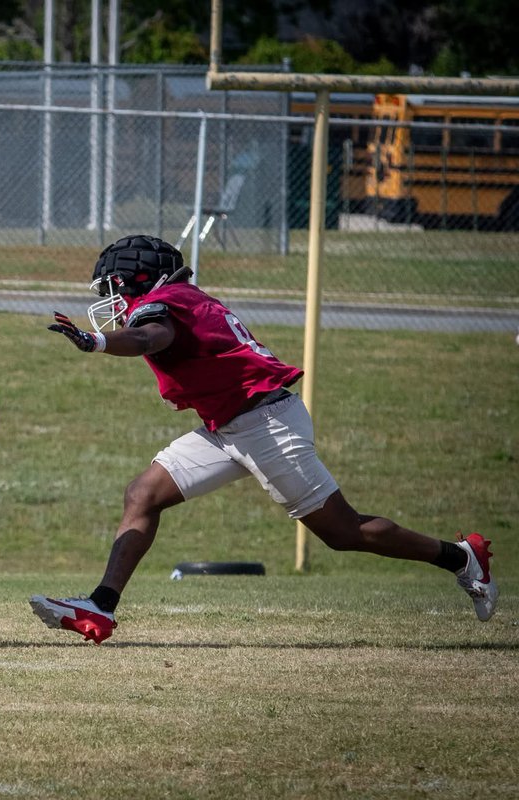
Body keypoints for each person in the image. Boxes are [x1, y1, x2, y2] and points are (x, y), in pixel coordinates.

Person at [29, 234, 498, 644]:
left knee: (343, 532)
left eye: (113, 287)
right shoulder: (182, 297)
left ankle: (461, 556)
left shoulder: (165, 303)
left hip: (266, 423)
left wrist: (99, 341)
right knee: (143, 493)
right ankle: (101, 606)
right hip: (229, 424)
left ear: (140, 278)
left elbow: (151, 336)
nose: (111, 298)